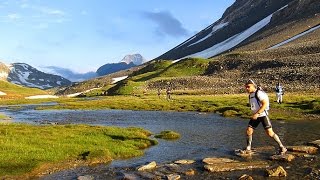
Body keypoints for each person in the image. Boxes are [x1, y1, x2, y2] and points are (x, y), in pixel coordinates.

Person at [242, 79, 287, 155]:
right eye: (246, 87)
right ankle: (248, 148)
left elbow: (265, 104)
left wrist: (257, 113)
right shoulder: (250, 95)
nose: (247, 88)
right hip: (256, 116)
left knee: (270, 133)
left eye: (248, 87)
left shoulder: (259, 93)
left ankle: (282, 147)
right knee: (249, 130)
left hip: (263, 115)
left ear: (253, 86)